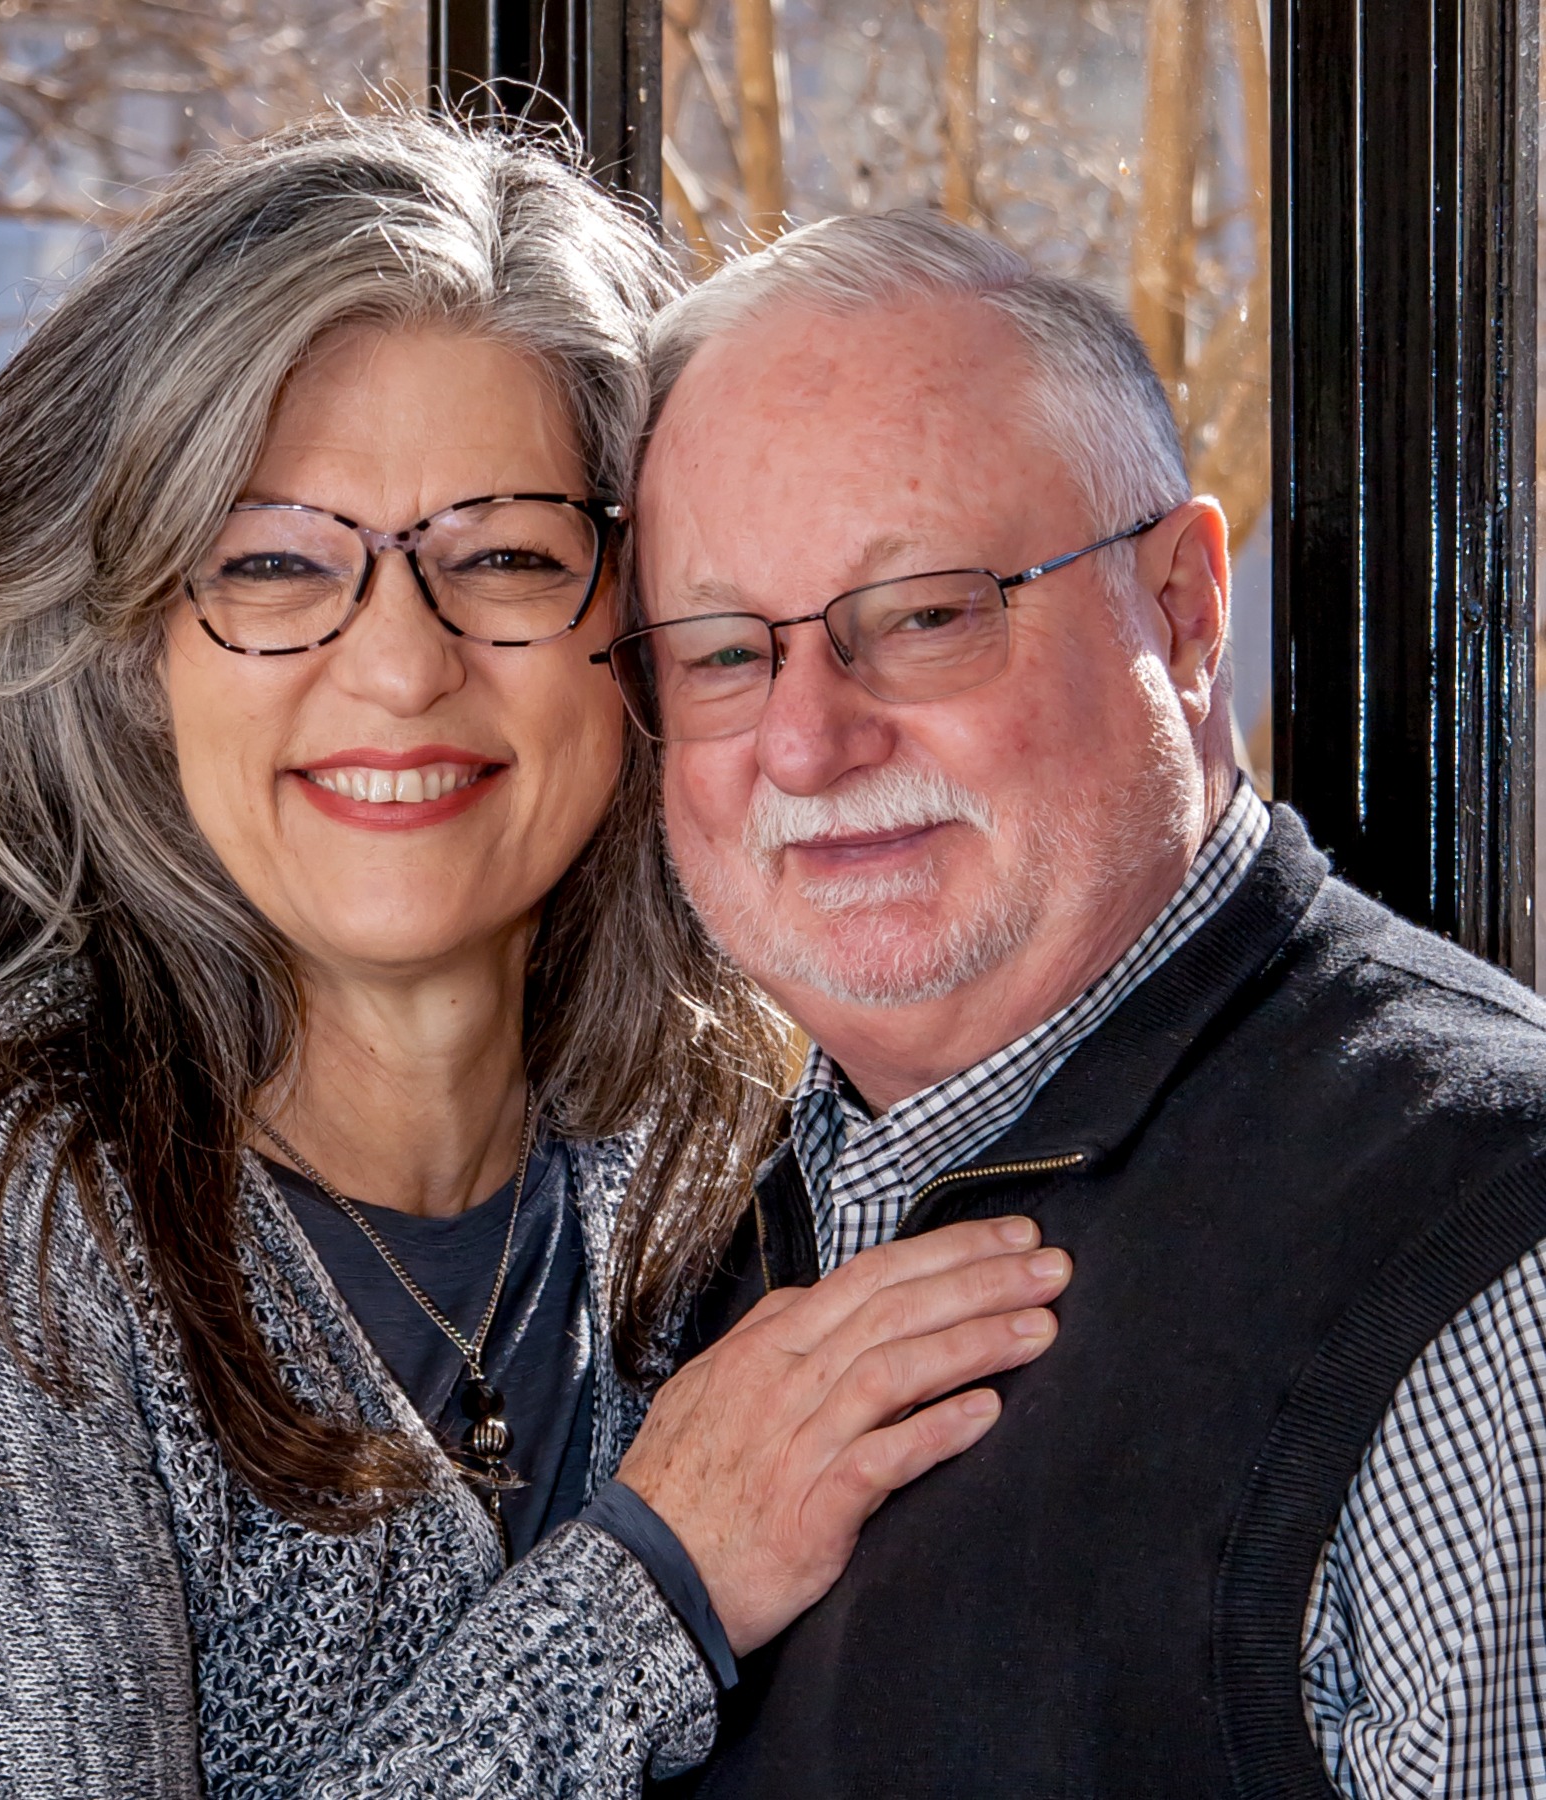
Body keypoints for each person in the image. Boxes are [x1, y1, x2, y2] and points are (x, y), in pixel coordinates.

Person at [0, 127, 1075, 1799]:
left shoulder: (742, 1138)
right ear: (131, 654)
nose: (397, 666)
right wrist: (653, 1589)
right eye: (274, 564)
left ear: (639, 622)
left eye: (507, 557)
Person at [612, 208, 1546, 1799]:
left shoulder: (1488, 1257)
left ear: (1183, 609)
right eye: (719, 655)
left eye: (921, 617)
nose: (805, 742)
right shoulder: (667, 1242)